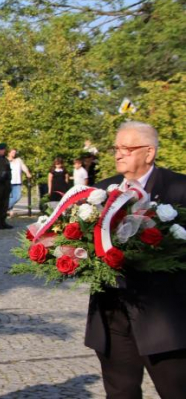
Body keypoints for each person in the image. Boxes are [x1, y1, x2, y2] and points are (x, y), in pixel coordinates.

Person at [85, 121, 186, 398]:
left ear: (149, 153)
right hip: (111, 316)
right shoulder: (100, 192)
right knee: (120, 394)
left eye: (127, 148)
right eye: (116, 148)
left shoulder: (179, 189)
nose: (119, 154)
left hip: (163, 319)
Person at [7, 148, 31, 213]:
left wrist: (27, 172)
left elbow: (23, 167)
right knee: (9, 197)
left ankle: (4, 208)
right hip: (8, 182)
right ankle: (10, 210)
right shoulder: (5, 160)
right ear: (9, 153)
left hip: (17, 181)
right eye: (12, 152)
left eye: (15, 152)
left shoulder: (18, 160)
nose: (14, 154)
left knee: (17, 196)